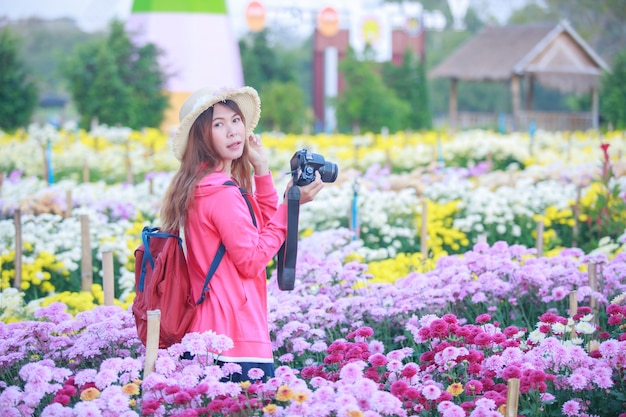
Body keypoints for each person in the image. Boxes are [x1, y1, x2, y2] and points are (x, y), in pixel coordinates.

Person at [159, 86, 324, 382]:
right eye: (218, 124)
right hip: (233, 340)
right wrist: (291, 205)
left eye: (235, 120)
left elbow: (258, 232)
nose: (233, 131)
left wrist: (261, 171)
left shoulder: (204, 184)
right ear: (201, 137)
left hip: (211, 334)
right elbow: (252, 259)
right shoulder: (220, 193)